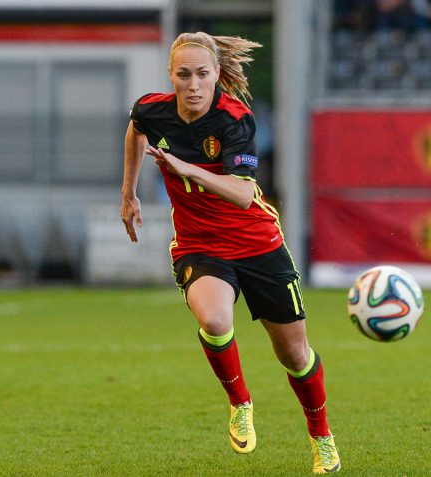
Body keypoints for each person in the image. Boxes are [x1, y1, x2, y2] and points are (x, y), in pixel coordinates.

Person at [120, 32, 341, 474]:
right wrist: (128, 193)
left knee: (295, 356)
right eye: (184, 75)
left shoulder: (234, 119)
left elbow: (242, 194)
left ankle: (321, 437)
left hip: (257, 244)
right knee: (216, 320)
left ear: (217, 75)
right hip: (200, 245)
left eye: (203, 74)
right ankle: (240, 403)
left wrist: (187, 169)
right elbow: (136, 129)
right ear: (172, 76)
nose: (194, 84)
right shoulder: (153, 108)